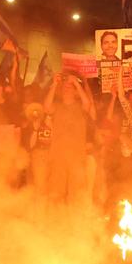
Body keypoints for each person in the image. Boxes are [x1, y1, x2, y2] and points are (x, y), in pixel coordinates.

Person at [43, 73, 94, 207]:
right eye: (64, 87)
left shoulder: (80, 107)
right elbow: (46, 107)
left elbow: (87, 103)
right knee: (55, 193)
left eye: (70, 87)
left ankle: (74, 223)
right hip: (58, 156)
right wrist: (54, 84)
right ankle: (57, 221)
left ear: (75, 91)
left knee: (76, 193)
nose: (67, 89)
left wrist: (77, 83)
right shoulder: (57, 106)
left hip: (76, 157)